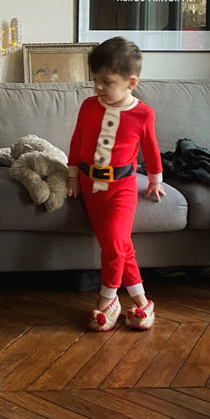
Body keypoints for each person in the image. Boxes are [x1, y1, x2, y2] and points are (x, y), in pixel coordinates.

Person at [67, 37, 165, 331]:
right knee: (121, 245)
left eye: (106, 82)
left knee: (112, 241)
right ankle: (141, 301)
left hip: (122, 187)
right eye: (95, 79)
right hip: (89, 185)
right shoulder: (88, 106)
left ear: (130, 83)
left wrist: (155, 180)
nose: (98, 87)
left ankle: (107, 300)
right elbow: (77, 140)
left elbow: (151, 149)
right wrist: (72, 174)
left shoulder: (143, 113)